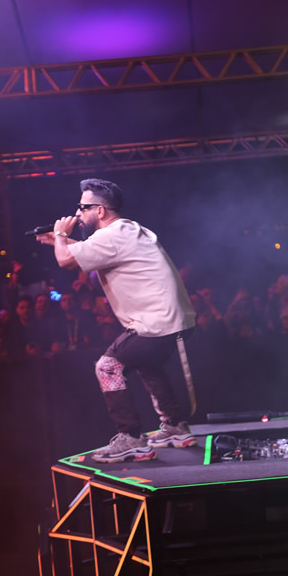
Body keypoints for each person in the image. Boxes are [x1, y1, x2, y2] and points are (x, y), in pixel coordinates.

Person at [36, 178, 196, 462]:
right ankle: (175, 426)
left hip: (156, 322)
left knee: (108, 367)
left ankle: (131, 438)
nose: (78, 213)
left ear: (100, 211)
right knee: (146, 362)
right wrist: (61, 242)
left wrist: (60, 236)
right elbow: (91, 252)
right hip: (172, 320)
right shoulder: (128, 230)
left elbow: (66, 261)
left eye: (83, 207)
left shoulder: (111, 236)